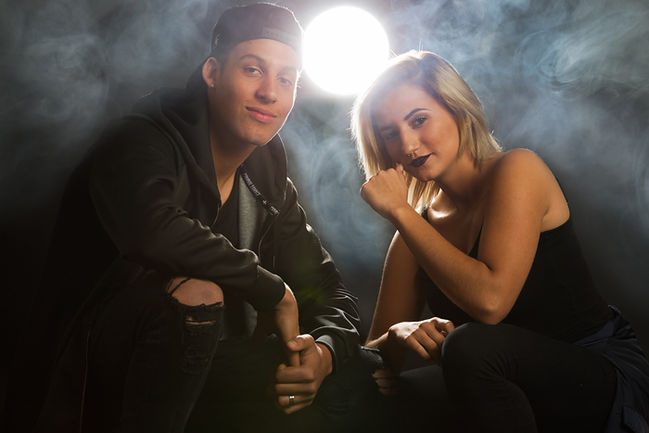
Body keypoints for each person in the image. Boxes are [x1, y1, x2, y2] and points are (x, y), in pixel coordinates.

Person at [10, 4, 382, 433]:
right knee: (198, 294)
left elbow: (328, 288)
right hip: (94, 376)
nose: (270, 92)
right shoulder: (142, 139)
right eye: (252, 70)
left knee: (364, 373)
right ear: (212, 72)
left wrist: (323, 353)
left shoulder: (269, 178)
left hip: (212, 367)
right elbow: (153, 229)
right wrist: (273, 290)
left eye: (286, 79)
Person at [351, 50, 649, 433]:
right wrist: (395, 336)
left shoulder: (518, 169)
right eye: (390, 133)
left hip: (598, 379)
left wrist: (400, 211)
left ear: (458, 111)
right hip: (506, 394)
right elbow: (373, 364)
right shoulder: (414, 231)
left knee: (467, 345)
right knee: (377, 395)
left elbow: (490, 303)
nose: (407, 145)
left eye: (419, 120)